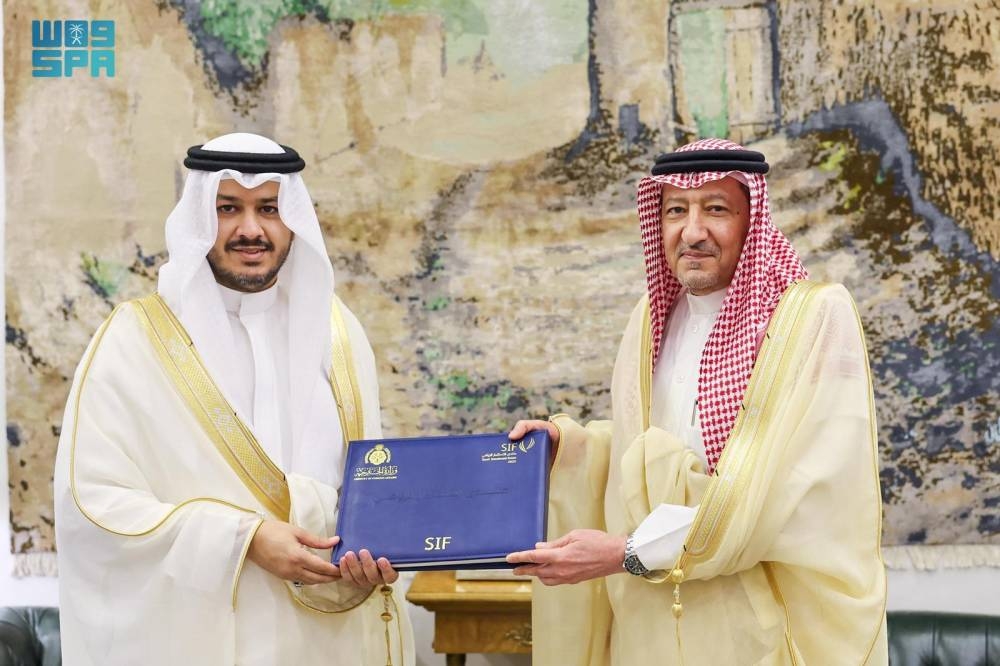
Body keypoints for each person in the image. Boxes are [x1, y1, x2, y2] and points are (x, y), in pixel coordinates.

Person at [508, 138, 888, 664]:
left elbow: (791, 491)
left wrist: (630, 551)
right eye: (675, 211)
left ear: (752, 219)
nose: (692, 232)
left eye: (715, 209)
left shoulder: (814, 318)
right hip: (651, 628)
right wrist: (569, 450)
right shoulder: (651, 317)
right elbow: (652, 448)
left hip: (761, 628)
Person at [54, 133, 414, 665]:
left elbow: (369, 484)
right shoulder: (133, 340)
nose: (250, 229)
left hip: (328, 637)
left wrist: (375, 546)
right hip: (198, 636)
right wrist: (244, 540)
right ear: (200, 216)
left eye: (269, 208)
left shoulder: (338, 334)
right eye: (228, 209)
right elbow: (92, 505)